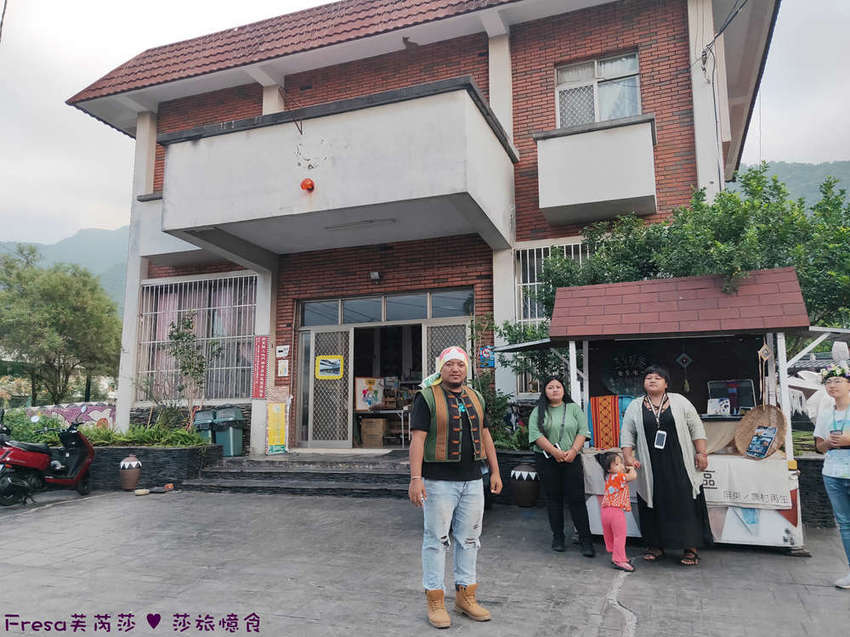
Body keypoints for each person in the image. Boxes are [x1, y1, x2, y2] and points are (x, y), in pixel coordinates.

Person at [408, 346, 503, 629]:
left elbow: (485, 435)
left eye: (460, 365)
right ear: (441, 368)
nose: (455, 369)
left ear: (466, 369)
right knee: (436, 540)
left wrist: (495, 471)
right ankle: (435, 599)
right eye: (449, 364)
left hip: (472, 480)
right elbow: (418, 439)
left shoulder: (476, 396)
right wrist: (415, 478)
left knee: (470, 539)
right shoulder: (427, 397)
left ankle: (465, 596)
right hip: (438, 482)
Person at [620, 365, 712, 566]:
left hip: (680, 462)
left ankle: (690, 548)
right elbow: (627, 432)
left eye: (657, 377)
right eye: (648, 378)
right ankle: (656, 546)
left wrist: (701, 452)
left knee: (684, 502)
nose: (652, 380)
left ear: (666, 383)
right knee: (653, 502)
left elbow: (696, 426)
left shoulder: (680, 401)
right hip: (650, 465)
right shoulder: (635, 405)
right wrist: (627, 456)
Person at [528, 376, 595, 556]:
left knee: (577, 499)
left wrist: (573, 451)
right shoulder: (538, 411)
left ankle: (586, 540)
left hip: (571, 459)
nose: (555, 390)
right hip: (547, 460)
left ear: (564, 390)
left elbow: (583, 430)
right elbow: (535, 434)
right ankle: (558, 537)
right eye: (550, 387)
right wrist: (554, 452)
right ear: (545, 391)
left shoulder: (573, 408)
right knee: (553, 499)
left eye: (558, 386)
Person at [813, 363, 850, 589]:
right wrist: (828, 443)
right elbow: (818, 446)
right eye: (828, 382)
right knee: (845, 524)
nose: (832, 385)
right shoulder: (826, 413)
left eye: (838, 381)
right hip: (833, 472)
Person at [597, 451, 638, 572]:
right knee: (620, 536)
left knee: (612, 535)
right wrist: (632, 468)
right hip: (616, 512)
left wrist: (625, 468)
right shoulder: (620, 477)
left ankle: (617, 556)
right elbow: (633, 476)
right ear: (609, 469)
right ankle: (619, 560)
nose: (621, 466)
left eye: (620, 463)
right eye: (617, 464)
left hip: (605, 510)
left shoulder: (609, 477)